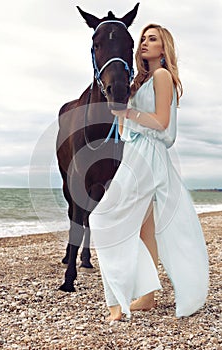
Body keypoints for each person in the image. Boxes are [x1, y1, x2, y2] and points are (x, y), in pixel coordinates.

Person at [89, 24, 209, 321]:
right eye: (142, 38)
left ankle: (116, 302)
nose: (144, 42)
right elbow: (127, 125)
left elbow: (162, 122)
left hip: (149, 154)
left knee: (103, 218)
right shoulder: (140, 82)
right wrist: (122, 112)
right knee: (145, 228)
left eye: (151, 39)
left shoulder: (162, 75)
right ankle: (147, 296)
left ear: (163, 47)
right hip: (135, 152)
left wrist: (129, 113)